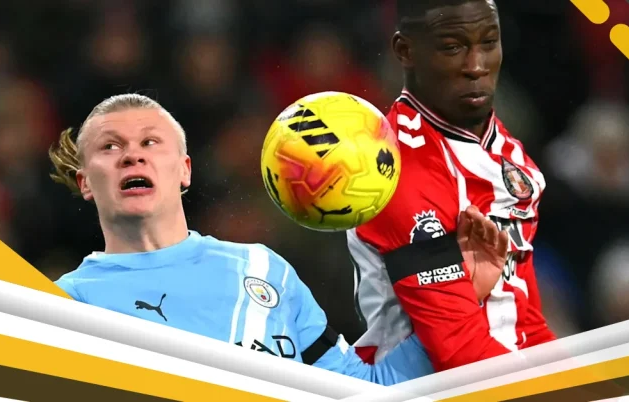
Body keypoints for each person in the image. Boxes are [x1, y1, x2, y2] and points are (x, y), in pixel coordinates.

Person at [48, 93, 508, 384]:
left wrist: (459, 296)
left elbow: (363, 391)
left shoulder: (264, 269)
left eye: (150, 142)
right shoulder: (64, 304)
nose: (132, 155)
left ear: (184, 170)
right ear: (85, 180)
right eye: (110, 146)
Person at [347, 0, 557, 373]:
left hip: (511, 380)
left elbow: (525, 324)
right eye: (453, 47)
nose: (476, 66)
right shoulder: (395, 170)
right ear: (405, 50)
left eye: (489, 42)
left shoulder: (509, 154)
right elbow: (459, 353)